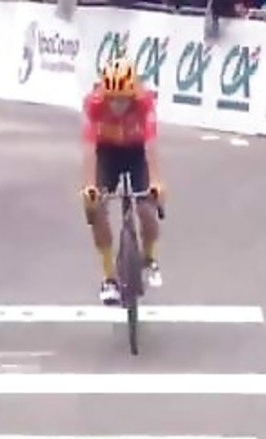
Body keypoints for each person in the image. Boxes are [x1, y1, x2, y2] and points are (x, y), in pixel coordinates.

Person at [80, 56, 164, 305]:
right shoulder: (94, 104)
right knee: (96, 208)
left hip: (136, 153)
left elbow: (151, 146)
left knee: (147, 209)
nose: (117, 105)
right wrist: (90, 187)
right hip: (108, 153)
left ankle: (149, 258)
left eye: (123, 99)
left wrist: (156, 183)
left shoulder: (144, 103)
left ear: (132, 95)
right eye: (113, 99)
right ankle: (109, 278)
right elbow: (89, 149)